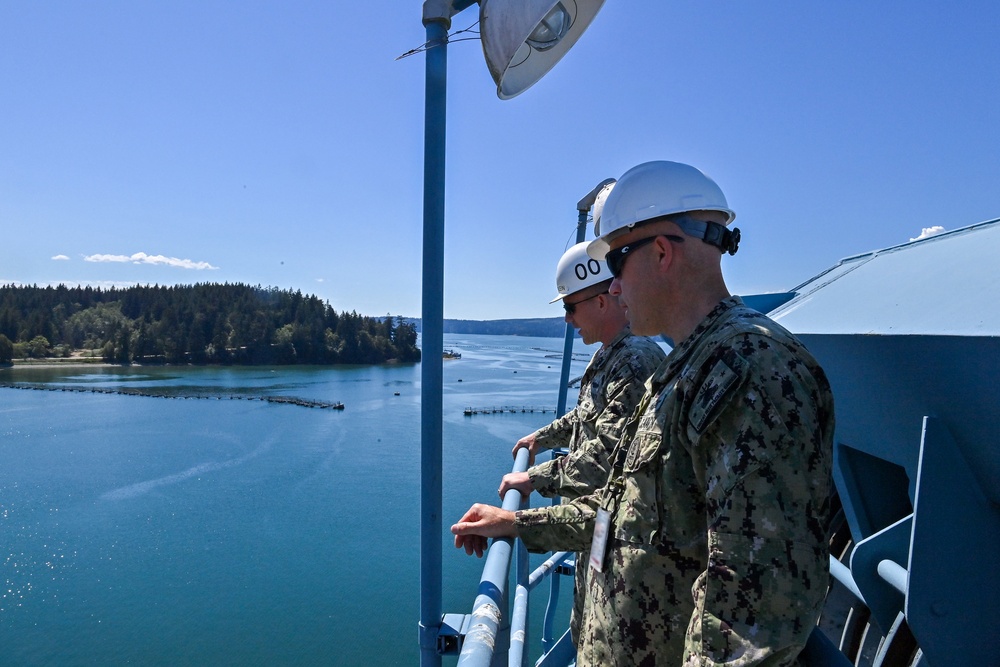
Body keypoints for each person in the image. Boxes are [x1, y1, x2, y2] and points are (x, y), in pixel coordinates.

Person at [453, 160, 835, 666]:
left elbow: (752, 615)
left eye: (615, 266)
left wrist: (532, 490)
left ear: (659, 253)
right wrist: (518, 525)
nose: (613, 287)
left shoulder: (751, 371)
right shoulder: (685, 369)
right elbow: (623, 515)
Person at [499, 239, 665, 643]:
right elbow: (589, 416)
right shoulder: (612, 354)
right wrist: (541, 437)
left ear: (603, 300)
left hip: (622, 545)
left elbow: (606, 456)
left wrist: (534, 479)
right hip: (598, 531)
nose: (568, 321)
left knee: (608, 640)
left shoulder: (635, 359)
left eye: (570, 307)